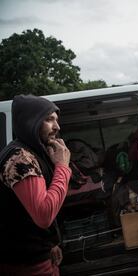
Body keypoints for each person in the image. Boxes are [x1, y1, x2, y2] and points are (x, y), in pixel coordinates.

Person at [0, 94, 71, 275]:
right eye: (49, 119)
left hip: (39, 255)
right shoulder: (20, 158)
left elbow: (29, 216)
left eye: (56, 120)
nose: (57, 127)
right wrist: (62, 167)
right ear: (30, 121)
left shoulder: (32, 152)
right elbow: (43, 214)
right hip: (26, 264)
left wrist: (50, 243)